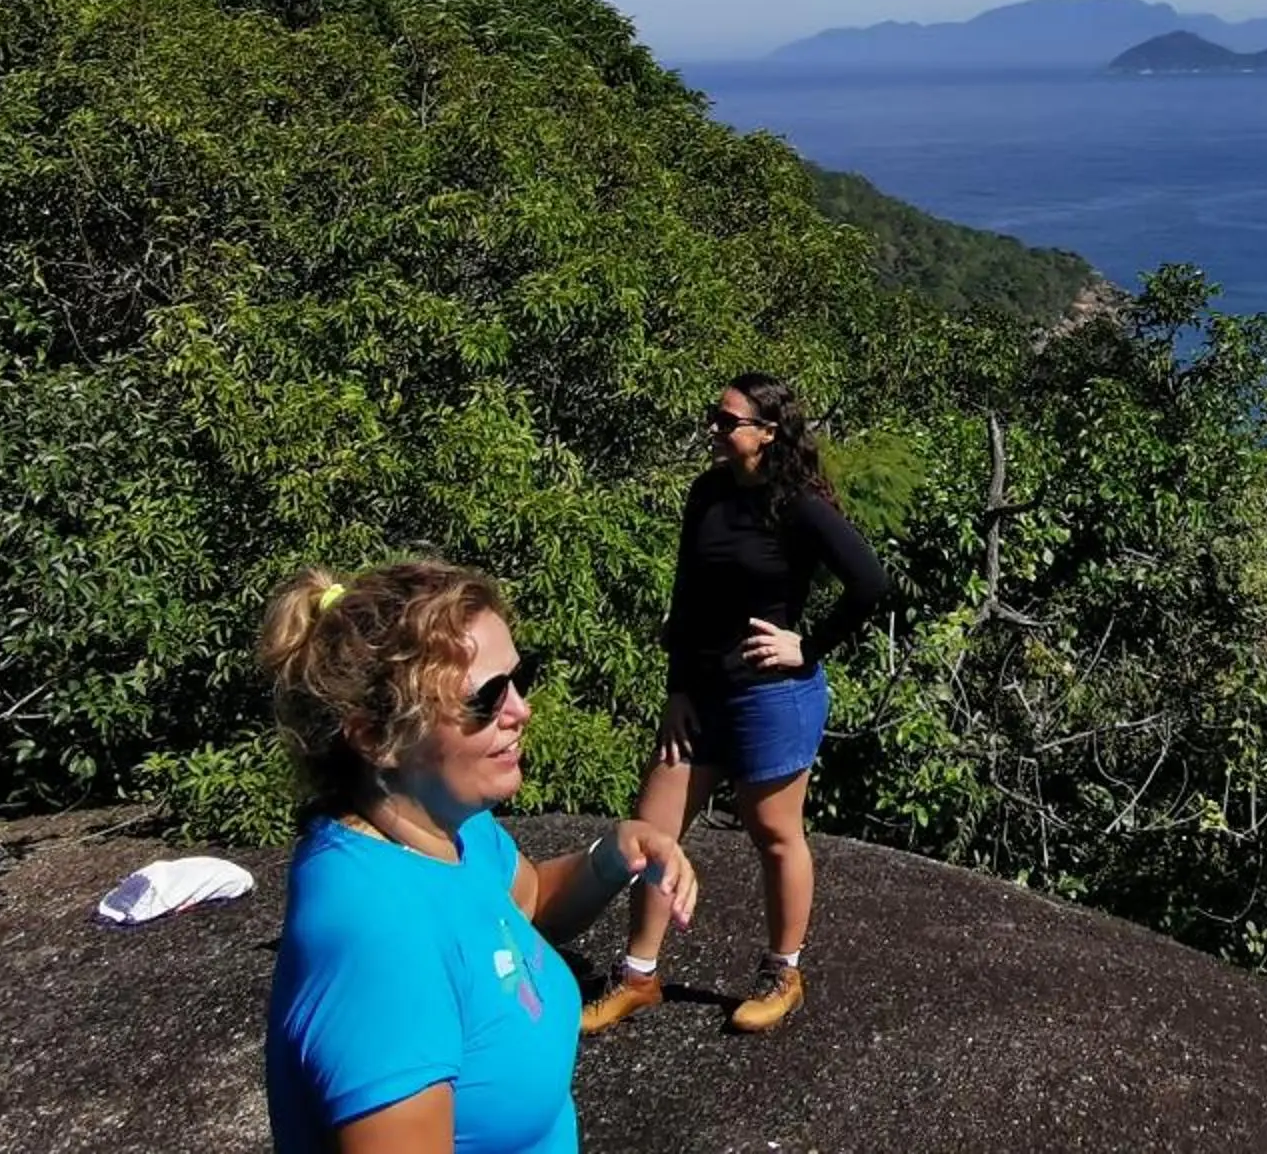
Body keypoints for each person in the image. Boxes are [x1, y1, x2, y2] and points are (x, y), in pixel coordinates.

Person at [258, 558, 700, 1154]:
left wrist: (613, 855)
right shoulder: (378, 939)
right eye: (486, 698)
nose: (520, 710)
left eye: (519, 679)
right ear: (372, 737)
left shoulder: (445, 829)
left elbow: (528, 901)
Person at [579, 373, 891, 1038]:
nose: (714, 431)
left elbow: (870, 583)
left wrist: (806, 647)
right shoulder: (708, 493)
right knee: (653, 833)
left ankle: (783, 972)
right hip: (702, 694)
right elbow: (687, 598)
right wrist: (676, 691)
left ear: (766, 433)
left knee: (774, 835)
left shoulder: (799, 506)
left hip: (771, 698)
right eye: (713, 418)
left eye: (726, 422)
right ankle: (637, 976)